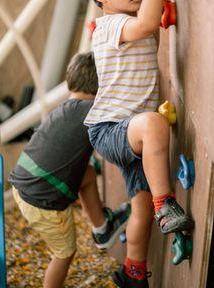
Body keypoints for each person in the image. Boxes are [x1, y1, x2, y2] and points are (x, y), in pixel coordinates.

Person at [81, 0, 194, 288]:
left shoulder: (131, 19)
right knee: (153, 123)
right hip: (111, 129)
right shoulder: (110, 26)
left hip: (134, 133)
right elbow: (147, 25)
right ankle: (167, 204)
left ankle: (133, 274)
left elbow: (149, 23)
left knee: (139, 206)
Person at [9, 52, 131, 288]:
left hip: (22, 186)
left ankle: (102, 228)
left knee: (85, 174)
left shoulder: (64, 109)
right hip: (43, 202)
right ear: (102, 85)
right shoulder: (91, 113)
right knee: (64, 254)